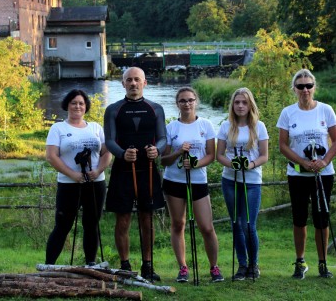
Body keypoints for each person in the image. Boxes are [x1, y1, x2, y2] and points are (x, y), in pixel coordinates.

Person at [276, 69, 336, 279]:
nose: (305, 90)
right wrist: (303, 162)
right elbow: (283, 145)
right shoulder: (288, 112)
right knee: (299, 219)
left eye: (309, 86)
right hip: (297, 174)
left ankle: (323, 263)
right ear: (294, 89)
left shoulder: (326, 110)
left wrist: (324, 161)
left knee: (321, 219)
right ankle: (300, 261)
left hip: (323, 174)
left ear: (314, 87)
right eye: (300, 86)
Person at [104, 67, 166, 281]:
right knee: (122, 220)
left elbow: (163, 137)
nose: (133, 83)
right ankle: (125, 266)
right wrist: (122, 153)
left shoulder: (155, 108)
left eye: (137, 80)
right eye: (129, 80)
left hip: (147, 170)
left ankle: (148, 266)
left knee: (147, 219)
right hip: (123, 171)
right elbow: (109, 140)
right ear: (123, 84)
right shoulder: (113, 109)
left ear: (144, 83)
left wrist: (157, 149)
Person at [161, 86, 224, 283]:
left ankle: (214, 267)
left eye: (190, 100)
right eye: (182, 101)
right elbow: (164, 160)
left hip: (197, 181)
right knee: (178, 224)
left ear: (196, 101)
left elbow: (211, 156)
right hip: (174, 181)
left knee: (206, 226)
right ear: (177, 104)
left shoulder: (206, 125)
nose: (187, 104)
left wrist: (195, 163)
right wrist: (179, 152)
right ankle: (183, 268)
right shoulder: (171, 127)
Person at [45, 89, 112, 265]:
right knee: (63, 225)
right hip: (69, 184)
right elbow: (52, 156)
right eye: (74, 103)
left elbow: (107, 153)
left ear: (86, 107)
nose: (77, 106)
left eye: (81, 103)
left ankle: (90, 264)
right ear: (67, 104)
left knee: (91, 225)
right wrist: (73, 174)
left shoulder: (96, 128)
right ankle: (48, 265)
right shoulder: (58, 128)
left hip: (95, 183)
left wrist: (98, 171)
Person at [216, 87, 268, 280]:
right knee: (236, 223)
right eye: (237, 102)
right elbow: (218, 155)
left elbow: (264, 156)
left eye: (244, 102)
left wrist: (250, 165)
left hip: (252, 181)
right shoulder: (225, 126)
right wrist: (233, 165)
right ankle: (242, 265)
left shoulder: (259, 126)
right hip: (230, 180)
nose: (240, 106)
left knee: (248, 224)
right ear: (233, 105)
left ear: (250, 105)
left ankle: (254, 265)